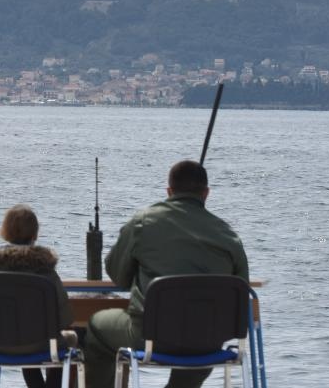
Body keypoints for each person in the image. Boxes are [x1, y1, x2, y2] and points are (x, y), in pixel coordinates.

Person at [83, 160, 249, 388]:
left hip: (151, 336)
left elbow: (118, 276)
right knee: (202, 343)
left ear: (169, 191)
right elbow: (240, 295)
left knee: (95, 325)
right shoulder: (230, 237)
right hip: (207, 341)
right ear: (206, 193)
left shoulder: (143, 222)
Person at [0, 204, 78, 388]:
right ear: (35, 234)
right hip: (35, 342)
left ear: (4, 231)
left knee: (24, 334)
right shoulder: (44, 269)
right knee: (64, 339)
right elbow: (64, 317)